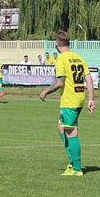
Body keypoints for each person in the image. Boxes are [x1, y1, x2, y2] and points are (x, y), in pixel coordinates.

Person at [39, 30, 95, 176]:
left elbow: (60, 82)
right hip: (79, 98)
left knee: (71, 132)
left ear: (56, 44)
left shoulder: (61, 59)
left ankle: (76, 168)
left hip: (69, 100)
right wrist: (90, 99)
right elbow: (89, 79)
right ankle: (72, 161)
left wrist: (46, 91)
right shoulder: (78, 57)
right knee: (61, 127)